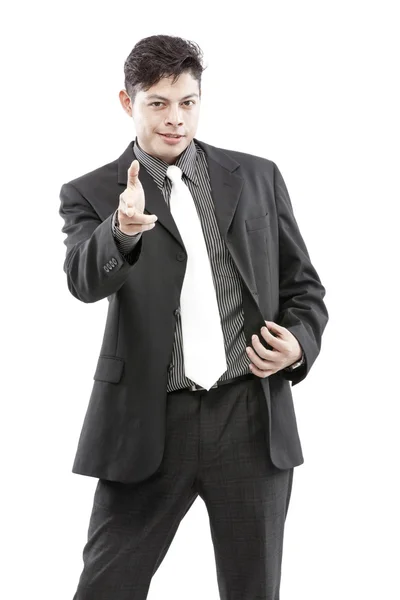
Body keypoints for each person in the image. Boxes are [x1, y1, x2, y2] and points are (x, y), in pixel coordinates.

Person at [59, 34, 329, 600]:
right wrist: (121, 232)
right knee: (105, 588)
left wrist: (299, 344)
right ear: (126, 102)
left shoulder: (256, 177)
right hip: (149, 422)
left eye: (188, 101)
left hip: (249, 416)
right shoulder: (91, 193)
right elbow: (84, 280)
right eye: (158, 103)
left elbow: (303, 287)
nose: (176, 119)